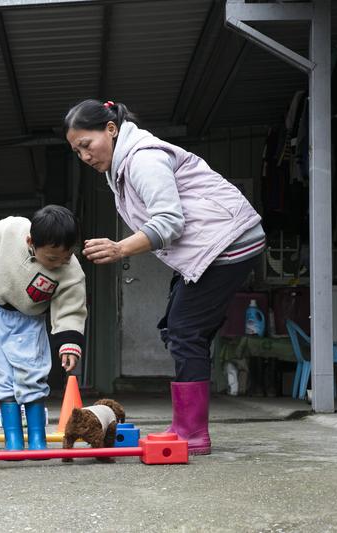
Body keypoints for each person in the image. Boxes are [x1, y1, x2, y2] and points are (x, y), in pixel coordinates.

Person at [64, 100, 265, 455]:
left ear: (111, 129)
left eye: (86, 144)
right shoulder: (123, 167)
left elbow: (169, 223)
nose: (84, 156)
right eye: (76, 151)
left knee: (186, 331)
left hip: (228, 243)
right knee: (178, 328)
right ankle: (185, 426)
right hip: (214, 247)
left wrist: (119, 249)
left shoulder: (143, 159)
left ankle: (192, 433)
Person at [0, 205, 87, 451]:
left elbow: (70, 308)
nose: (59, 263)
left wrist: (69, 343)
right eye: (52, 258)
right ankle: (12, 439)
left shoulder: (70, 272)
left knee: (32, 374)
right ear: (30, 242)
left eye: (67, 256)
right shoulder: (11, 229)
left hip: (29, 320)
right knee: (1, 376)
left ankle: (37, 439)